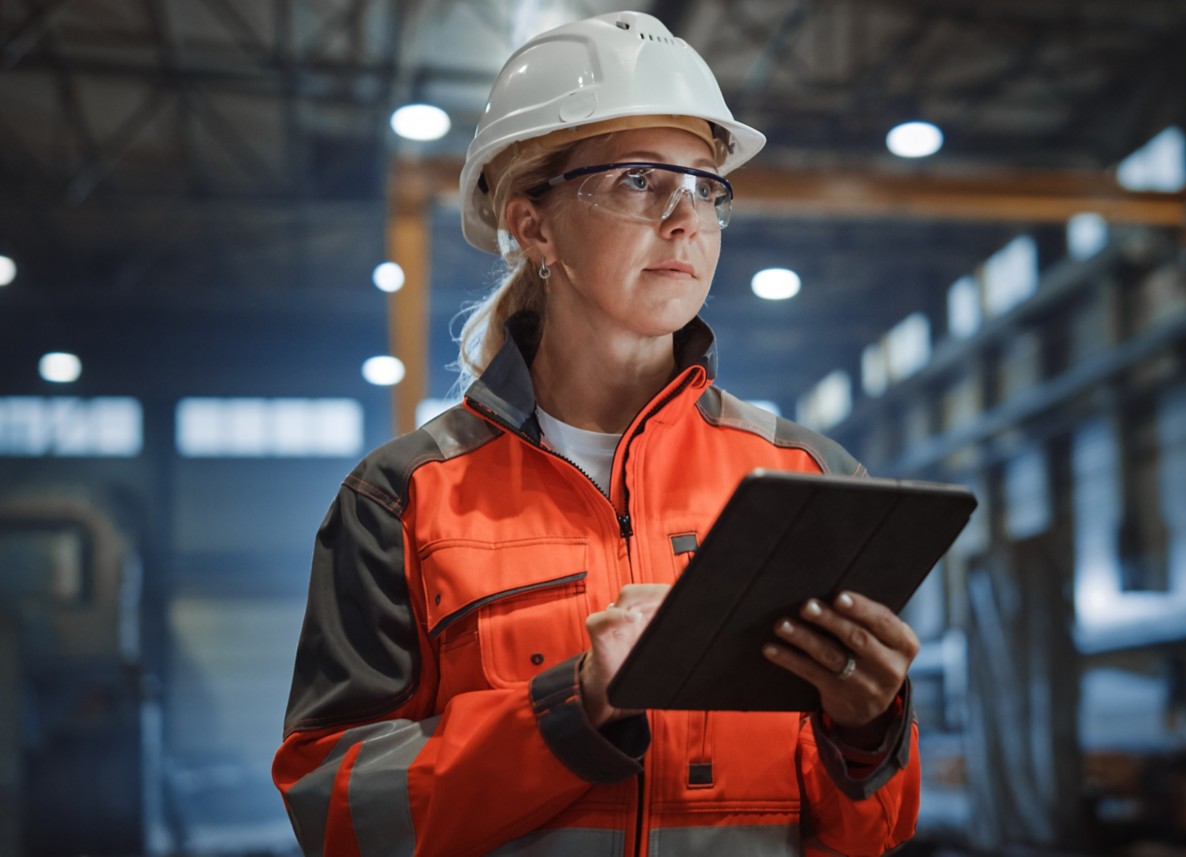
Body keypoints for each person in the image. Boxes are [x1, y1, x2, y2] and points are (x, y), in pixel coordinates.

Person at [273, 10, 921, 856]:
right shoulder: (401, 499)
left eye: (705, 187)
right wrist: (571, 708)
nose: (688, 219)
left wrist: (867, 728)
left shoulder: (811, 478)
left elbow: (866, 835)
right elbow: (338, 813)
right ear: (533, 224)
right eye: (640, 181)